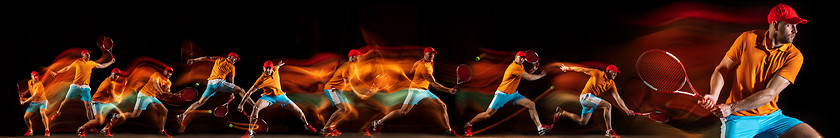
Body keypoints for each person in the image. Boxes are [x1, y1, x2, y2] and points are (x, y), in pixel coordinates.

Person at [698, 3, 822, 138]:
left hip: (772, 118)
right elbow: (722, 68)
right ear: (775, 25)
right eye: (789, 25)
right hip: (739, 118)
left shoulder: (794, 56)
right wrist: (714, 95)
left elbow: (770, 93)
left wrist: (730, 107)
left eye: (796, 26)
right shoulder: (747, 39)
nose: (795, 30)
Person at [369, 47, 458, 136]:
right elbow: (434, 84)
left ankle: (448, 131)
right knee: (402, 112)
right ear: (425, 54)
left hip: (425, 92)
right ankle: (378, 122)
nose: (432, 56)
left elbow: (412, 71)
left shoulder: (422, 62)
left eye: (433, 54)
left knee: (442, 106)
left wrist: (415, 77)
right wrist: (448, 90)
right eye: (430, 54)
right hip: (416, 92)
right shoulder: (424, 67)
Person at [463, 51, 551, 136]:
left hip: (513, 94)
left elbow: (522, 77)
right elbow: (529, 78)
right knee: (487, 115)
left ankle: (540, 128)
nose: (522, 60)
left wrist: (532, 70)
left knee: (531, 105)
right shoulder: (514, 67)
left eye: (524, 58)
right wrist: (542, 75)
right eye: (520, 58)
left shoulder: (520, 66)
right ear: (516, 57)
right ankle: (469, 124)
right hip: (502, 94)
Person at [553, 64, 635, 138]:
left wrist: (626, 109)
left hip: (591, 100)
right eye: (614, 72)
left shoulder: (611, 83)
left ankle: (562, 112)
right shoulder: (598, 73)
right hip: (586, 97)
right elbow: (582, 69)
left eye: (617, 73)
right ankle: (609, 131)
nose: (615, 74)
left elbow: (618, 98)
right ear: (608, 71)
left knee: (583, 121)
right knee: (608, 105)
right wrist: (568, 68)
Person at [240, 60, 317, 138]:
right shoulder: (261, 80)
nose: (268, 70)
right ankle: (250, 131)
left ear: (272, 68)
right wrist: (241, 104)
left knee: (299, 111)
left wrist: (278, 65)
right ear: (263, 68)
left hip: (281, 96)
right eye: (266, 68)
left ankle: (307, 125)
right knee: (256, 107)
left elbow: (277, 66)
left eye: (269, 68)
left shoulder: (275, 69)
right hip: (268, 97)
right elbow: (249, 92)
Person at [178, 52, 251, 126]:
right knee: (241, 90)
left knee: (200, 102)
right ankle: (254, 105)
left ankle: (183, 115)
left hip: (210, 84)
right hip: (219, 83)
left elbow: (206, 57)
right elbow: (231, 81)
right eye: (235, 58)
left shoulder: (218, 59)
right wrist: (231, 93)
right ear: (231, 57)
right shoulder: (232, 66)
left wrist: (194, 60)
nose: (236, 61)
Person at [49, 50, 115, 121]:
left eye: (89, 54)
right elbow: (67, 68)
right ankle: (57, 113)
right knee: (65, 102)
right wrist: (57, 73)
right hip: (75, 86)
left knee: (88, 107)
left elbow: (102, 66)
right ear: (83, 55)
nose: (89, 55)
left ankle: (91, 125)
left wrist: (111, 62)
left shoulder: (91, 63)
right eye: (87, 54)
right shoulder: (77, 62)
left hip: (85, 88)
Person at [318, 49, 362, 136]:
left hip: (339, 89)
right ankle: (325, 129)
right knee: (342, 108)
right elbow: (348, 84)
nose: (357, 58)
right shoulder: (348, 67)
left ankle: (331, 127)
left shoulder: (354, 66)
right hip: (332, 89)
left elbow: (356, 80)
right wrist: (359, 94)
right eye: (354, 56)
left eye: (358, 56)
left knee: (348, 110)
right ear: (351, 57)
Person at [123, 67, 175, 137]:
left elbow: (167, 88)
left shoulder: (168, 82)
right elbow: (155, 84)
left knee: (164, 111)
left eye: (171, 72)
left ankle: (161, 131)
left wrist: (168, 92)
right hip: (144, 94)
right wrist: (161, 92)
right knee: (134, 115)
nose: (169, 73)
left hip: (152, 97)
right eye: (168, 71)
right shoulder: (157, 75)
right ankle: (118, 115)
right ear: (164, 71)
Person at [77, 68, 128, 137]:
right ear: (111, 73)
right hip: (97, 102)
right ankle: (81, 129)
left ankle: (105, 129)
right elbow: (113, 96)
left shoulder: (112, 81)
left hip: (106, 102)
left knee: (121, 116)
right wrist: (119, 98)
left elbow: (114, 95)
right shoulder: (109, 83)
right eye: (115, 74)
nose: (117, 76)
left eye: (118, 75)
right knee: (99, 122)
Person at [21, 71, 50, 136]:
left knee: (42, 113)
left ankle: (47, 130)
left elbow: (34, 96)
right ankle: (30, 130)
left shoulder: (39, 85)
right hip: (34, 103)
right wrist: (25, 92)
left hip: (42, 102)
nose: (37, 77)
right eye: (35, 76)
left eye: (37, 75)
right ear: (32, 77)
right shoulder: (29, 82)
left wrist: (24, 102)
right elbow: (30, 89)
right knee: (26, 117)